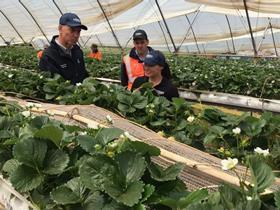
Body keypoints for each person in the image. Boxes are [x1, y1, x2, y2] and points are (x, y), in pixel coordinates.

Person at [39, 13, 89, 84]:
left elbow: (84, 76)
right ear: (60, 29)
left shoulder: (78, 51)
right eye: (72, 30)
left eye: (78, 31)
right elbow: (53, 87)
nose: (76, 35)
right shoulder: (48, 57)